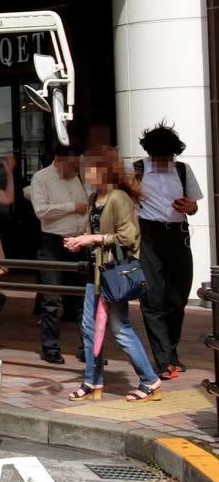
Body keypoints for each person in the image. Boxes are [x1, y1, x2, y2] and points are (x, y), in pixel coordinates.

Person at [65, 146, 161, 402]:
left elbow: (128, 237)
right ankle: (92, 380)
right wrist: (77, 241)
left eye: (91, 170)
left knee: (119, 328)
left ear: (104, 170)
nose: (86, 174)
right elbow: (92, 234)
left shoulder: (119, 198)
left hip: (111, 275)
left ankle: (150, 379)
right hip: (95, 274)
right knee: (88, 328)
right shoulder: (94, 198)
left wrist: (91, 238)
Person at [132, 121, 202, 380]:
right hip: (149, 235)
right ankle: (163, 360)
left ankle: (171, 352)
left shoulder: (183, 171)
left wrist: (188, 207)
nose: (164, 161)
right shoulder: (137, 170)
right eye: (159, 157)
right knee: (152, 298)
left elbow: (195, 207)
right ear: (149, 154)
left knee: (178, 297)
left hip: (178, 235)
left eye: (168, 157)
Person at [31, 145, 88, 364]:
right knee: (51, 299)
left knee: (83, 299)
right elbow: (41, 211)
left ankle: (88, 347)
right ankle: (50, 348)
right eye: (71, 163)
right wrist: (72, 206)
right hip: (53, 243)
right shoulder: (41, 178)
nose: (74, 168)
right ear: (58, 159)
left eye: (76, 163)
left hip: (79, 242)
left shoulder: (78, 177)